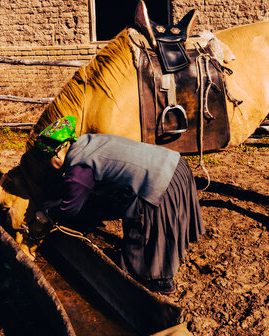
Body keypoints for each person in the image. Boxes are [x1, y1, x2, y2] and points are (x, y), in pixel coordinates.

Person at [35, 116, 204, 293]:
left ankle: (159, 279)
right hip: (176, 165)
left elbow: (70, 209)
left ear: (60, 151)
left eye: (48, 158)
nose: (49, 164)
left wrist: (47, 213)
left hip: (160, 181)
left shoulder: (79, 168)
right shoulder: (88, 142)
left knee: (143, 226)